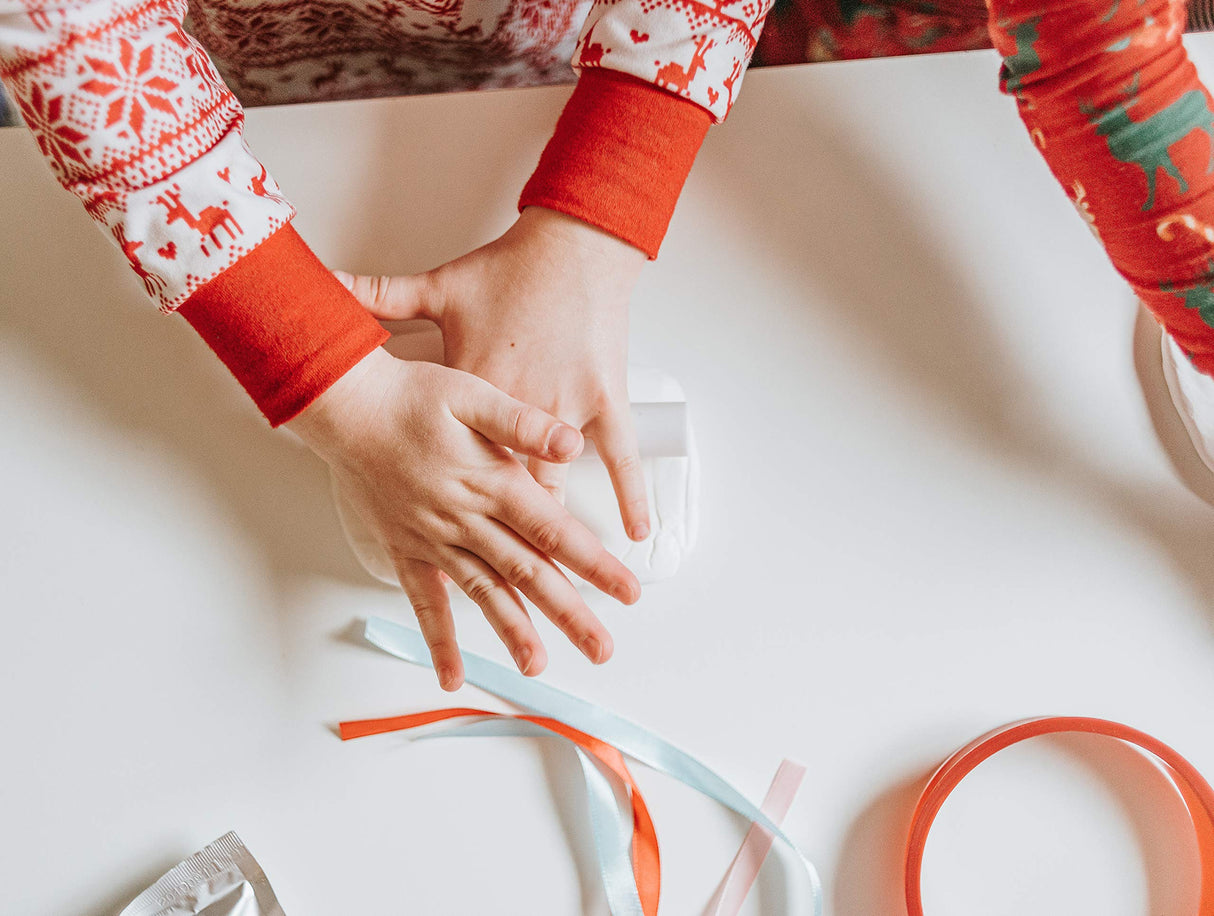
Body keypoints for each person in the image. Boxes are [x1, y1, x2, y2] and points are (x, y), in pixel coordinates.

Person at [0, 0, 765, 690]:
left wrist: (593, 226)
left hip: (555, 60)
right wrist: (337, 386)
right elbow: (67, 32)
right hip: (228, 91)